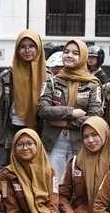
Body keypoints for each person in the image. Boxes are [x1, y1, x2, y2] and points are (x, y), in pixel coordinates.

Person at [40, 38, 103, 178]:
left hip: (80, 144)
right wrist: (71, 112)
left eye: (75, 53)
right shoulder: (52, 81)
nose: (69, 55)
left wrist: (65, 123)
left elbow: (95, 117)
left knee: (76, 184)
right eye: (66, 52)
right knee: (53, 183)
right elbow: (43, 110)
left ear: (83, 57)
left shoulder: (93, 85)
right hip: (53, 143)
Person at [0, 30, 46, 160]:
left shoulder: (47, 77)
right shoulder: (7, 76)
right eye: (22, 47)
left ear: (39, 48)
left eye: (31, 46)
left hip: (38, 131)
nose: (27, 50)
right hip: (11, 131)